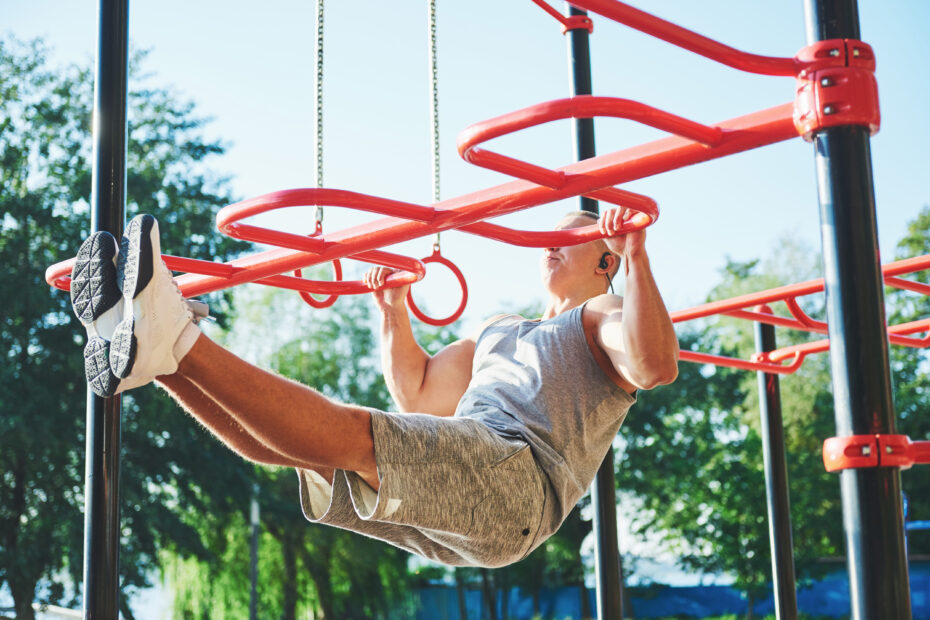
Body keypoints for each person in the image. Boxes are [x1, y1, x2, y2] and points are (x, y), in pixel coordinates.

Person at [69, 207, 678, 568]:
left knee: (352, 436)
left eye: (574, 234)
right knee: (309, 453)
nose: (551, 239)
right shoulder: (500, 329)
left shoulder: (602, 315)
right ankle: (160, 357)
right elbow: (415, 396)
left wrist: (640, 255)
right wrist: (393, 309)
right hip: (482, 477)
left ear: (604, 260)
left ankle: (170, 334)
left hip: (522, 479)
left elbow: (654, 367)